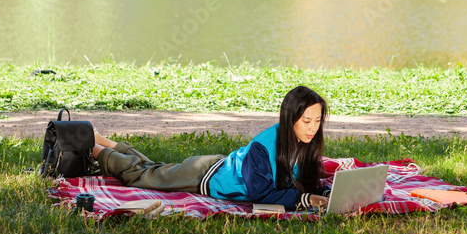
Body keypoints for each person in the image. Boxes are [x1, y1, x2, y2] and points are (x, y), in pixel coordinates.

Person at [91, 85, 331, 212]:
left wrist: (327, 193)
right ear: (290, 118)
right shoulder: (263, 146)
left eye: (318, 121)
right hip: (206, 175)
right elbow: (262, 194)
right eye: (306, 121)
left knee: (155, 169)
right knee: (144, 177)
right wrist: (307, 199)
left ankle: (107, 142)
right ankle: (94, 149)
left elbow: (300, 182)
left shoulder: (305, 142)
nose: (313, 128)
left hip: (219, 167)